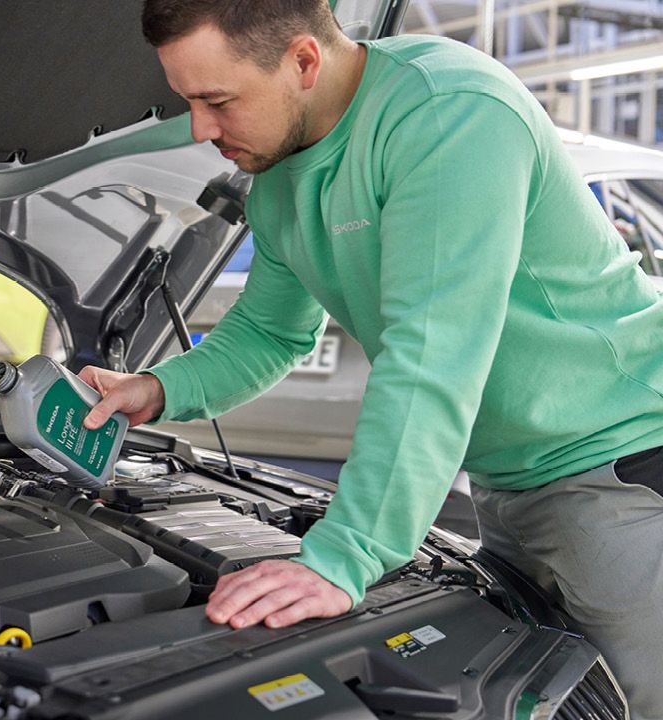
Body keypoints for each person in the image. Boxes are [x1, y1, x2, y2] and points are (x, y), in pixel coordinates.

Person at [78, 1, 663, 716]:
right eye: (189, 102)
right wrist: (155, 389)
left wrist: (344, 555)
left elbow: (433, 354)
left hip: (623, 469)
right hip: (510, 488)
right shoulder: (282, 181)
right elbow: (267, 335)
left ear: (303, 60)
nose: (201, 129)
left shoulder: (449, 114)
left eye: (217, 101)